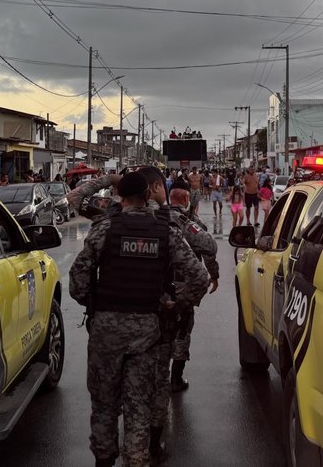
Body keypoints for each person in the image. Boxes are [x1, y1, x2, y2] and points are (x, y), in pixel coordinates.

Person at [69, 172, 208, 467]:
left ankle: (104, 460)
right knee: (138, 405)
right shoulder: (166, 230)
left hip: (106, 331)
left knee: (104, 402)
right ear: (147, 194)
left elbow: (77, 279)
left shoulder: (105, 227)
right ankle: (137, 459)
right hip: (147, 332)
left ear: (120, 197)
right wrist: (176, 305)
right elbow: (199, 277)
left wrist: (94, 303)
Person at [165, 182, 219, 394]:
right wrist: (213, 274)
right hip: (181, 286)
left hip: (153, 287)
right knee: (182, 328)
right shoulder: (187, 221)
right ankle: (175, 379)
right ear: (187, 199)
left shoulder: (154, 216)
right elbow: (208, 248)